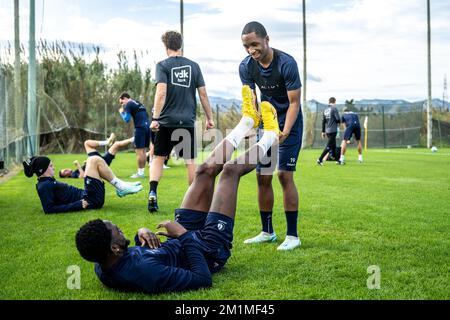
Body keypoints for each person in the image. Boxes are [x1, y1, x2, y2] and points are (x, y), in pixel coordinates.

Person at [75, 86, 279, 294]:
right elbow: (202, 279)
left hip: (180, 241)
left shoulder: (103, 259)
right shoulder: (145, 273)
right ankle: (272, 135)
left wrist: (140, 235)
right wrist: (183, 235)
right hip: (208, 250)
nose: (119, 227)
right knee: (229, 171)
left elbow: (125, 254)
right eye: (115, 231)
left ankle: (248, 121)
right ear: (114, 248)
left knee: (204, 170)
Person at [239, 21, 303, 250]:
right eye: (246, 46)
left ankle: (293, 236)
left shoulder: (287, 63)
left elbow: (295, 102)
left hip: (289, 124)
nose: (251, 50)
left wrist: (284, 131)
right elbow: (252, 101)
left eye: (255, 44)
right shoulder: (246, 66)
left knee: (284, 176)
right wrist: (251, 126)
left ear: (267, 39)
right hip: (266, 124)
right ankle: (267, 232)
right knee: (262, 176)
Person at [148, 30, 215, 213]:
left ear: (166, 46)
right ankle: (193, 202)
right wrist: (210, 118)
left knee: (158, 158)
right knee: (189, 161)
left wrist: (155, 118)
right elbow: (203, 94)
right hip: (186, 122)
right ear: (181, 45)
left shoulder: (162, 65)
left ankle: (152, 193)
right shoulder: (194, 66)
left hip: (166, 122)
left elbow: (161, 92)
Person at [23, 153, 143, 214]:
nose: (54, 167)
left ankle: (121, 185)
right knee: (93, 159)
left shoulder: (47, 182)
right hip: (90, 200)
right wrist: (78, 205)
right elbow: (48, 209)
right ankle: (121, 186)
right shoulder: (44, 186)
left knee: (94, 160)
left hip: (89, 196)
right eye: (50, 166)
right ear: (42, 170)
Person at [59, 134, 134, 179]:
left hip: (101, 162)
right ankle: (107, 142)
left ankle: (134, 138)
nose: (66, 170)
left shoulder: (74, 172)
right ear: (66, 176)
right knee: (87, 143)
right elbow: (82, 176)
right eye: (65, 172)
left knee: (116, 144)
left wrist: (87, 163)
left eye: (65, 169)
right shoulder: (73, 175)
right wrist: (78, 165)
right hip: (99, 165)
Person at [118, 92, 151, 179]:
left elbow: (127, 119)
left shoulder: (129, 104)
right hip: (147, 128)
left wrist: (121, 112)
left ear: (125, 98)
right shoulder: (139, 103)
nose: (122, 105)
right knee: (143, 151)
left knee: (139, 152)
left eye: (122, 102)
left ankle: (140, 173)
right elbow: (146, 115)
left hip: (140, 128)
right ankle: (141, 172)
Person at [317, 97, 341, 166]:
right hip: (333, 130)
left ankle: (338, 160)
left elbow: (323, 121)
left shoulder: (326, 110)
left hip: (327, 131)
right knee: (329, 146)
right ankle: (320, 159)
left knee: (333, 146)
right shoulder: (334, 108)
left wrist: (323, 131)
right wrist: (339, 122)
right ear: (334, 101)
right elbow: (337, 119)